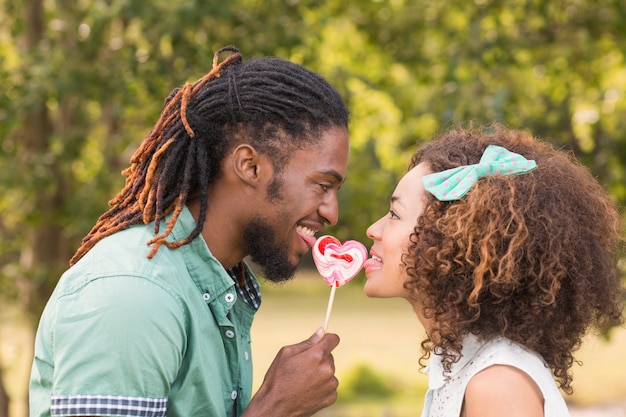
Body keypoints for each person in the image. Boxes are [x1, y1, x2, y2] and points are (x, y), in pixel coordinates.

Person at [29, 45, 350, 417]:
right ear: (249, 166)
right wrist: (274, 408)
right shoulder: (135, 293)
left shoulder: (214, 287)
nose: (332, 212)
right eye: (323, 185)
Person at [363, 123, 624, 417]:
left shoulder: (498, 384)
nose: (374, 229)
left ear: (455, 240)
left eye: (395, 214)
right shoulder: (470, 367)